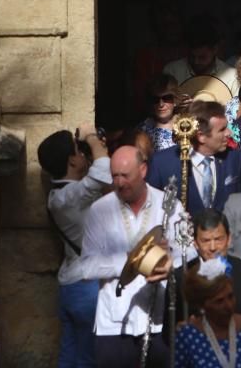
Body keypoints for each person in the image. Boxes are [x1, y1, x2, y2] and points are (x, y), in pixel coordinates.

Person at [78, 145, 185, 367]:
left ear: (143, 170)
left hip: (158, 322)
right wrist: (133, 260)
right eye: (115, 176)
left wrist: (170, 261)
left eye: (125, 175)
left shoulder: (169, 205)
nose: (119, 183)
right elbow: (87, 267)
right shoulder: (99, 210)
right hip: (114, 325)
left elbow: (189, 247)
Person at [38, 125, 111, 368]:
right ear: (71, 159)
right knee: (90, 358)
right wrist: (91, 137)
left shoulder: (57, 195)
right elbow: (103, 172)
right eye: (78, 151)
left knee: (69, 356)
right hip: (86, 286)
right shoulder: (69, 197)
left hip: (69, 286)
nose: (83, 154)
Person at [147, 100, 241, 212]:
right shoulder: (161, 163)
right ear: (201, 136)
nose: (228, 133)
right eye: (222, 129)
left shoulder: (234, 158)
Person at [174, 260, 241, 368]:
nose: (228, 306)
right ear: (201, 305)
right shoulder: (188, 336)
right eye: (219, 301)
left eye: (230, 296)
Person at [183, 209, 241, 317]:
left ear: (229, 239)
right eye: (206, 241)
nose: (213, 248)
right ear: (195, 243)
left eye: (218, 239)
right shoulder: (182, 276)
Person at [164, 15, 240, 96]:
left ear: (215, 49)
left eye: (202, 57)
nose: (196, 62)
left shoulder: (231, 77)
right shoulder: (173, 71)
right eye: (192, 57)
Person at [138, 73, 182, 152]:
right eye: (155, 99)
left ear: (175, 99)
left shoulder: (187, 124)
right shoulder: (142, 130)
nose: (161, 104)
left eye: (166, 98)